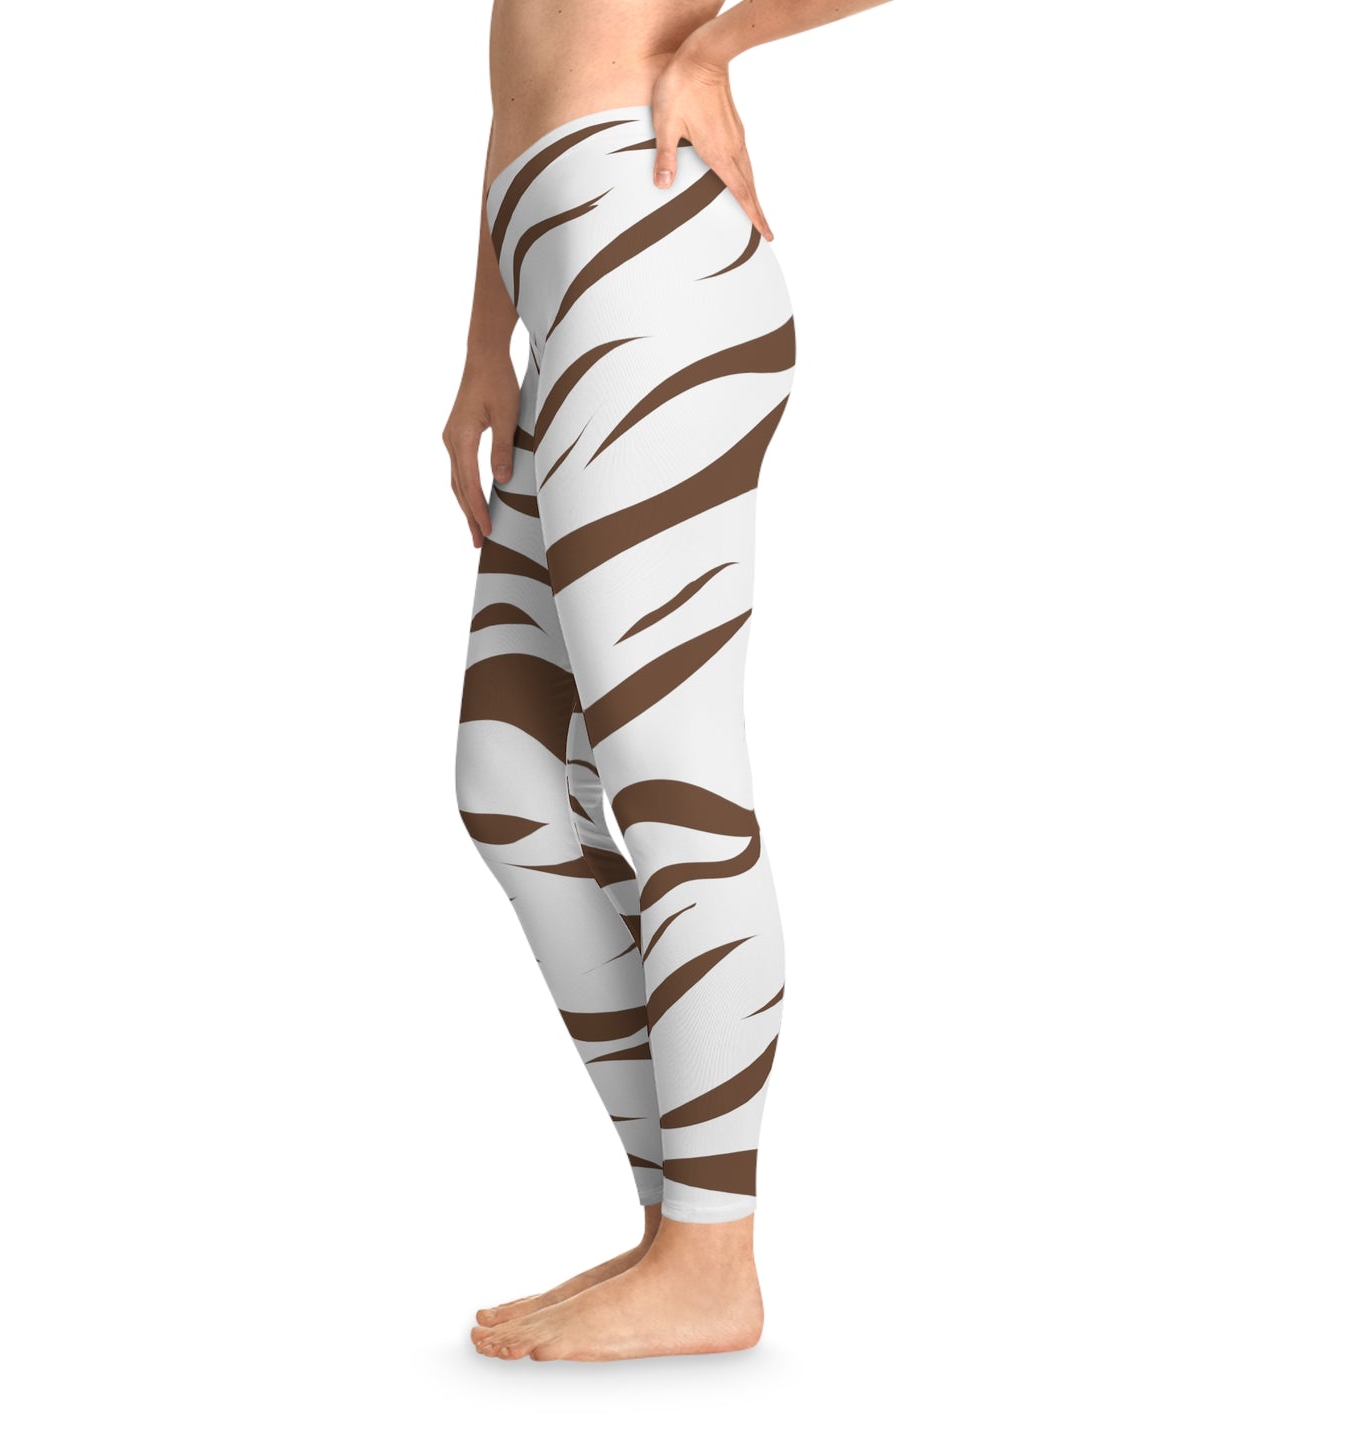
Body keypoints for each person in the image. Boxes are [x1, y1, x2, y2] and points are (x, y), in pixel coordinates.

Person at [447, 0, 889, 1363]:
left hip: (643, 249)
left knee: (669, 778)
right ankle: (672, 1227)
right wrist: (488, 341)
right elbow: (521, 61)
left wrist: (714, 48)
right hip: (562, 266)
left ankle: (711, 1256)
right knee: (509, 781)